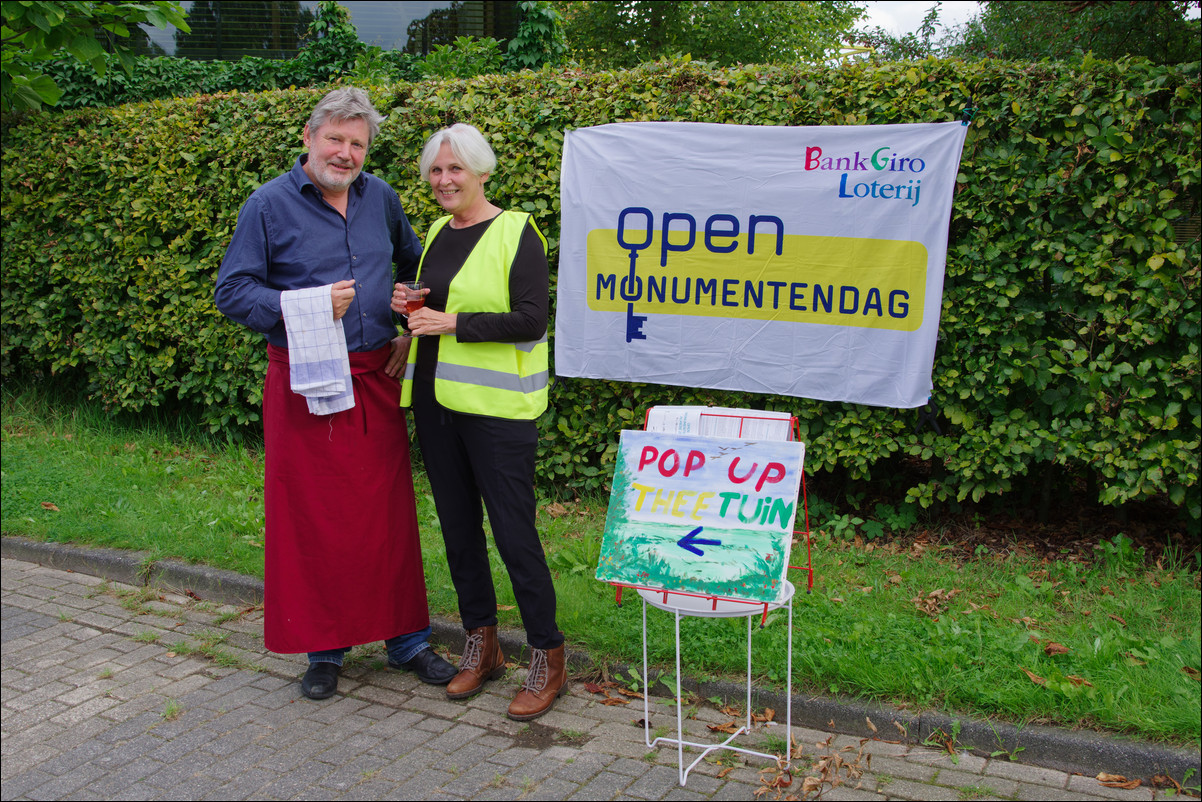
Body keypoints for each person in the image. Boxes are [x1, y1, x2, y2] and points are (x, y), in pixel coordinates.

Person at [214, 88, 456, 700]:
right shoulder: (266, 206)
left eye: (358, 144)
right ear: (309, 137)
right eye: (336, 140)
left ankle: (406, 640)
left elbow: (411, 264)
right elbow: (233, 292)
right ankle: (325, 649)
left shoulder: (382, 199)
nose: (346, 154)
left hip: (373, 380)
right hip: (303, 383)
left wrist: (408, 313)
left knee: (386, 516)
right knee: (314, 520)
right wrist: (307, 306)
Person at [394, 123, 565, 721]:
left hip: (498, 415)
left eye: (455, 170)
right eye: (436, 172)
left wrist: (450, 323)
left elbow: (529, 321)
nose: (443, 181)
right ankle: (482, 645)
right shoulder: (438, 231)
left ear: (482, 173)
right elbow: (433, 305)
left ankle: (547, 657)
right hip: (438, 408)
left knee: (515, 535)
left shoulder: (518, 231)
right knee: (459, 531)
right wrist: (409, 305)